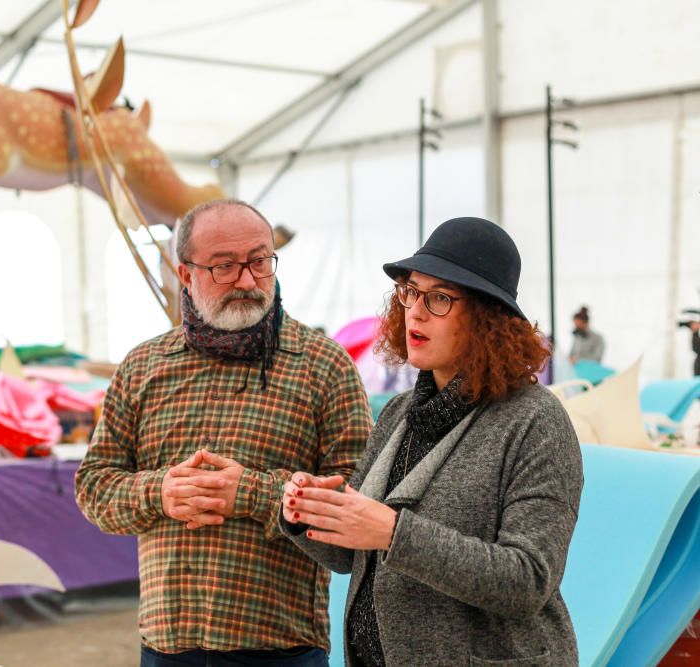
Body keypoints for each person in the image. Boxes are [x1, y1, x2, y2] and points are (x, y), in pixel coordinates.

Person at [75, 199, 372, 666]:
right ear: (186, 274)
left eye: (259, 261)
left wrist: (253, 494)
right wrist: (160, 491)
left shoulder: (323, 365)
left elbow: (359, 503)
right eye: (225, 267)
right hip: (167, 647)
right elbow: (94, 486)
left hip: (281, 650)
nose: (248, 281)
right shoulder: (144, 367)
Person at [281, 217, 583, 666]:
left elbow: (528, 580)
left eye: (439, 297)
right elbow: (352, 556)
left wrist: (392, 532)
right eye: (410, 291)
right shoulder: (401, 413)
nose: (415, 311)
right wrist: (309, 513)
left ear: (487, 317)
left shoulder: (535, 421)